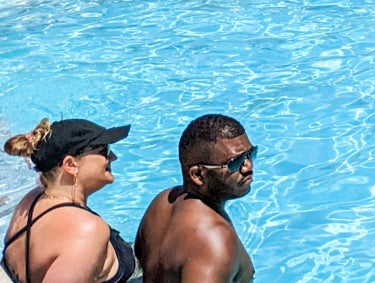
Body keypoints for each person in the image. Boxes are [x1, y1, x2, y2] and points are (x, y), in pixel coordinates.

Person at [4, 117, 136, 283]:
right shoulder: (87, 230)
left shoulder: (31, 201)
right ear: (71, 164)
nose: (113, 157)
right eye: (104, 150)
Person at [134, 114, 256, 283]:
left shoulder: (161, 203)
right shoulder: (214, 239)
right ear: (198, 175)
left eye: (251, 154)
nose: (248, 167)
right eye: (235, 163)